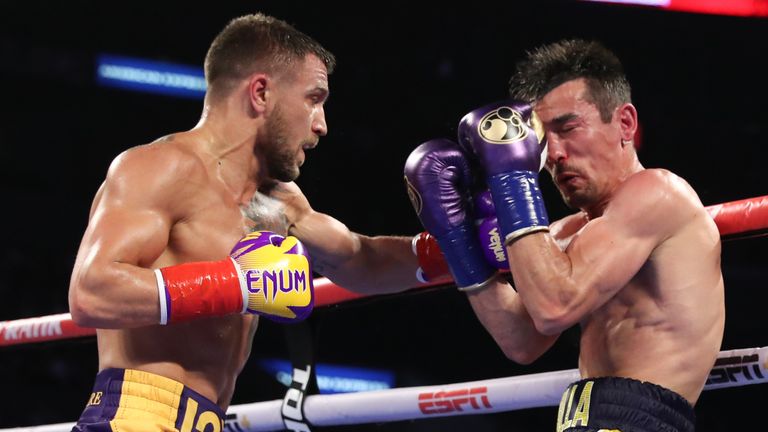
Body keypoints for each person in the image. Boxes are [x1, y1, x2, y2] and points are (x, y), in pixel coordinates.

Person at [68, 13, 420, 430]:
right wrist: (237, 285)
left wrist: (451, 249)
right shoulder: (158, 167)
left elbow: (363, 260)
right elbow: (91, 292)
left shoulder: (279, 202)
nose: (322, 124)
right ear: (260, 92)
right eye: (314, 98)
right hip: (137, 415)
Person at [407, 39, 724, 432]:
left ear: (625, 123)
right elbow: (522, 340)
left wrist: (511, 180)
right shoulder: (566, 232)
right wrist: (457, 239)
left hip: (640, 417)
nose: (553, 153)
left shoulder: (659, 192)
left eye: (568, 128)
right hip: (581, 415)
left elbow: (556, 305)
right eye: (542, 139)